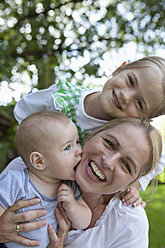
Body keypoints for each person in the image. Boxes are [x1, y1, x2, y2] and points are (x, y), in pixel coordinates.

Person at [13, 56, 165, 198]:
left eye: (139, 103)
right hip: (33, 174)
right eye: (131, 81)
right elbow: (23, 111)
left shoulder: (121, 134)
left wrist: (134, 184)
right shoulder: (62, 99)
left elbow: (160, 157)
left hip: (69, 195)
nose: (126, 96)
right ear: (120, 68)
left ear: (144, 119)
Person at [0, 117, 162, 247]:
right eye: (109, 143)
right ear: (91, 137)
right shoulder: (27, 170)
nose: (108, 162)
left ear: (133, 182)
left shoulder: (130, 225)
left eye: (126, 165)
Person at [0, 111, 91, 248]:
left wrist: (73, 205)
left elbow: (84, 222)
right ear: (39, 161)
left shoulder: (69, 187)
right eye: (68, 147)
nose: (79, 150)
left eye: (77, 142)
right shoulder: (17, 181)